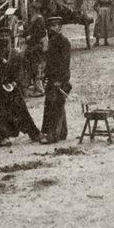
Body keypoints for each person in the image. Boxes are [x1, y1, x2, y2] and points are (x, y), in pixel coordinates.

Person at [0, 40, 41, 146]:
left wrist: (15, 82)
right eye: (2, 36)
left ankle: (34, 133)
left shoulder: (15, 54)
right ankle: (2, 137)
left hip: (12, 86)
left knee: (21, 109)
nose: (4, 38)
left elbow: (20, 70)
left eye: (6, 36)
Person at [40, 16, 71, 144]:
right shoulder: (51, 41)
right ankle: (62, 132)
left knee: (55, 105)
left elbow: (65, 63)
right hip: (52, 77)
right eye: (52, 25)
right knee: (55, 103)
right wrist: (45, 75)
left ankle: (52, 135)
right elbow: (49, 62)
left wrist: (60, 80)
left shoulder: (64, 41)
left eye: (57, 25)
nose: (55, 27)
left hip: (59, 78)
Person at [23, 0, 48, 96]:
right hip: (33, 45)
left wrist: (31, 37)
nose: (29, 10)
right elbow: (30, 31)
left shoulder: (39, 19)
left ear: (35, 9)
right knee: (31, 64)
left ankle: (40, 90)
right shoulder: (34, 18)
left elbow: (41, 33)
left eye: (31, 8)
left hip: (38, 45)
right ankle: (32, 86)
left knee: (37, 66)